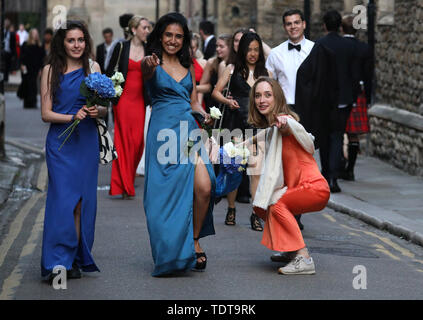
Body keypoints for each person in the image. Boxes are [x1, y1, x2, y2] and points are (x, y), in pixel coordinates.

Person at [142, 12, 216, 276]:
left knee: (205, 187)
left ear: (184, 40)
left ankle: (193, 239)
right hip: (162, 132)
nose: (173, 40)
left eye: (178, 36)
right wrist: (149, 64)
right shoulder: (150, 63)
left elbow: (193, 100)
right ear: (160, 36)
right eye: (168, 35)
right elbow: (146, 74)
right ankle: (169, 251)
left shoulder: (189, 65)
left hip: (187, 130)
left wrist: (203, 114)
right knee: (164, 196)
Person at [40, 20, 106, 282]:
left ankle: (74, 258)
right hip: (60, 143)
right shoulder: (49, 70)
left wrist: (96, 110)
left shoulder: (94, 68)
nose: (77, 45)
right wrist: (72, 117)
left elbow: (103, 108)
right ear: (62, 43)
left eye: (80, 40)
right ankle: (58, 260)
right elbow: (46, 114)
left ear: (86, 42)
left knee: (81, 202)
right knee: (62, 201)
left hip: (87, 142)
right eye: (71, 40)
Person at [247, 77, 330, 275]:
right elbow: (259, 136)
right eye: (258, 95)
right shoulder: (271, 130)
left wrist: (283, 122)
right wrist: (232, 148)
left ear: (277, 98)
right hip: (301, 188)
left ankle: (304, 257)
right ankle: (291, 251)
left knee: (277, 204)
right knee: (268, 205)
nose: (262, 100)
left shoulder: (285, 124)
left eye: (268, 95)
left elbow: (286, 126)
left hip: (313, 187)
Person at [212, 32, 270, 231]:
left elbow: (270, 98)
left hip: (258, 127)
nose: (252, 54)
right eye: (249, 49)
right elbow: (215, 92)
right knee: (235, 170)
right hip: (235, 125)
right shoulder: (231, 68)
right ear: (242, 50)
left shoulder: (265, 72)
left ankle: (255, 214)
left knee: (256, 172)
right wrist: (228, 101)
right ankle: (231, 208)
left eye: (256, 49)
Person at [265, 9, 314, 230]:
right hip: (284, 112)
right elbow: (270, 85)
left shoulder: (315, 50)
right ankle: (286, 210)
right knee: (285, 164)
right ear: (284, 27)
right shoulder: (275, 53)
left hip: (307, 111)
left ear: (303, 24)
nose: (293, 27)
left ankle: (299, 210)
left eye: (296, 22)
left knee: (303, 164)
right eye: (288, 24)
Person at [106, 15, 149, 199]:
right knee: (123, 142)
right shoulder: (121, 46)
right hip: (122, 100)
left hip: (140, 100)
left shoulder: (150, 49)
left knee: (138, 142)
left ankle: (127, 179)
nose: (147, 31)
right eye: (144, 27)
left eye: (148, 28)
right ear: (134, 29)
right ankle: (124, 185)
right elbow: (109, 72)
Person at [316, 10, 359, 193]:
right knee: (337, 136)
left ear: (325, 25)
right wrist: (353, 98)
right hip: (344, 100)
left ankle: (326, 175)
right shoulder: (349, 46)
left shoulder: (319, 45)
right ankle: (333, 177)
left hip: (324, 101)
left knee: (325, 138)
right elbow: (355, 75)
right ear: (339, 26)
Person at [340, 14, 372, 181]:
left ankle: (339, 166)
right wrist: (368, 97)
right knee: (353, 136)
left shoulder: (337, 46)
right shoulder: (364, 48)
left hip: (338, 94)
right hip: (357, 94)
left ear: (341, 28)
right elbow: (368, 76)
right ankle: (350, 170)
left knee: (337, 133)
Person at [197, 33, 232, 112]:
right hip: (213, 104)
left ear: (230, 48)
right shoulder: (211, 62)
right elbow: (202, 86)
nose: (217, 49)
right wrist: (199, 108)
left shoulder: (234, 65)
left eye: (221, 46)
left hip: (229, 104)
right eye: (216, 46)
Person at [19, 28, 45, 108]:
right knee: (26, 83)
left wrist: (41, 69)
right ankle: (26, 103)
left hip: (35, 68)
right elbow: (22, 56)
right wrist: (22, 65)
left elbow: (42, 58)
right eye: (34, 33)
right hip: (26, 67)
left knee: (33, 84)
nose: (36, 34)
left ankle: (33, 102)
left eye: (36, 33)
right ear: (31, 34)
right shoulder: (25, 44)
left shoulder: (39, 45)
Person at [3, 18, 17, 82]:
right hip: (2, 51)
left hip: (8, 52)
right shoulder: (2, 32)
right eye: (6, 23)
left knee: (7, 66)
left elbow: (14, 45)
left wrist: (14, 54)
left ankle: (6, 78)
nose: (6, 25)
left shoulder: (12, 34)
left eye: (8, 24)